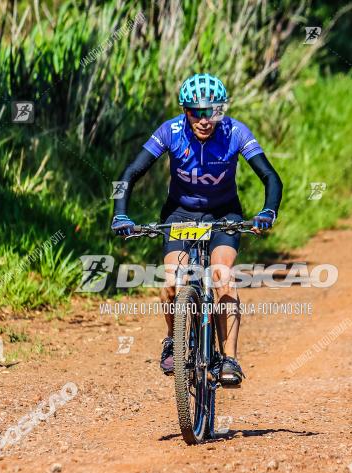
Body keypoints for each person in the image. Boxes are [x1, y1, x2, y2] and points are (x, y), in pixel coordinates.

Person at [110, 73, 282, 385]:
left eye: (212, 111)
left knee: (222, 276)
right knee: (173, 281)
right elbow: (130, 172)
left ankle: (229, 358)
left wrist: (268, 210)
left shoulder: (235, 132)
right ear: (185, 111)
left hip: (223, 213)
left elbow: (271, 177)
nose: (204, 120)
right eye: (196, 112)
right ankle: (172, 340)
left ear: (222, 110)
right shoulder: (171, 131)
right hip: (180, 214)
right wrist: (120, 214)